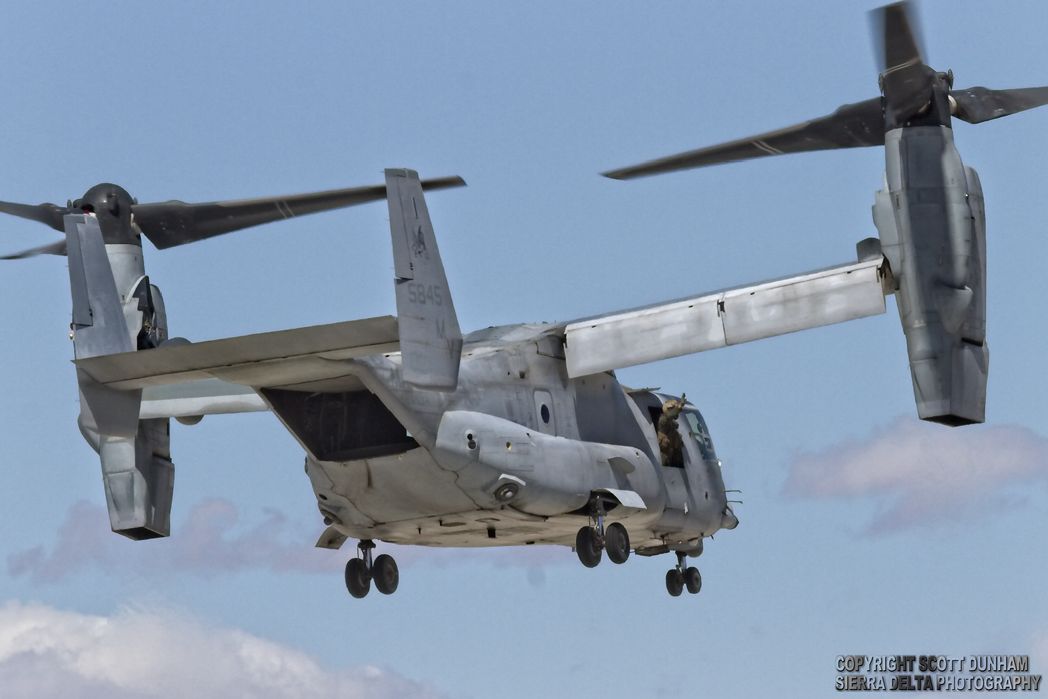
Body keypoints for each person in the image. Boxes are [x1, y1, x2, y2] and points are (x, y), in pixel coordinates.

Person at [657, 394, 686, 467]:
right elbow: (671, 415)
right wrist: (679, 407)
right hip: (665, 451)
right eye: (673, 409)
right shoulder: (663, 419)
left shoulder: (672, 423)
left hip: (670, 450)